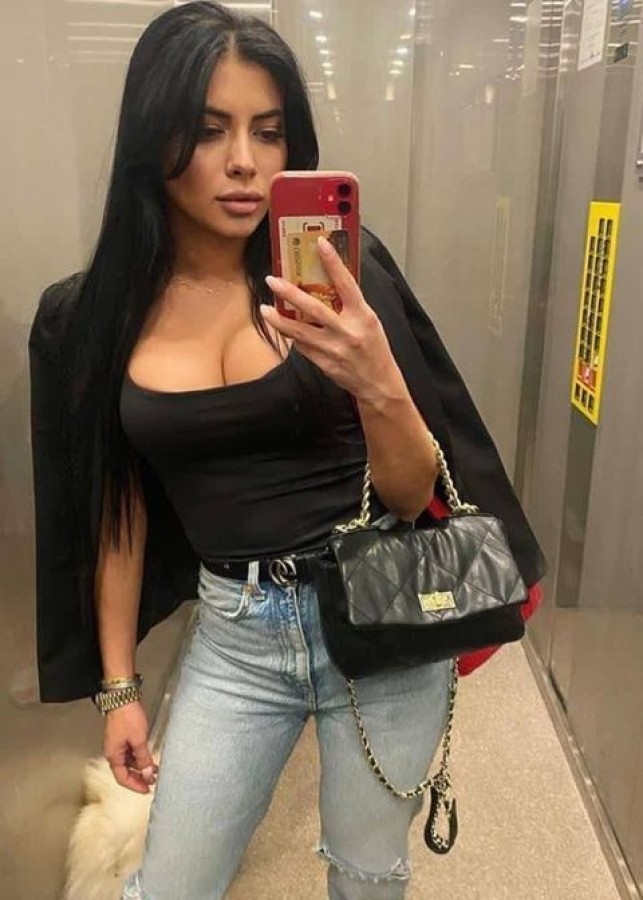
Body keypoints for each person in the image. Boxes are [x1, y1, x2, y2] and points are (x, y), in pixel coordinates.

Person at [28, 3, 546, 898]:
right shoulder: (95, 315)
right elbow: (117, 513)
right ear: (151, 140)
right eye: (208, 130)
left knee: (366, 878)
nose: (244, 161)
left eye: (267, 132)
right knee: (170, 884)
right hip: (235, 637)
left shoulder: (339, 276)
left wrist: (377, 378)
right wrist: (119, 689)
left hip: (380, 617)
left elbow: (410, 493)